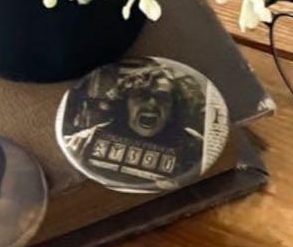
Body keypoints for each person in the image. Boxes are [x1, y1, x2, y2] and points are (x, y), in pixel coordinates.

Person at [63, 61, 209, 190]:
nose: (151, 104)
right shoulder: (83, 142)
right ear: (124, 104)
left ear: (173, 108)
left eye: (162, 97)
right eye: (141, 95)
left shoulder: (195, 146)